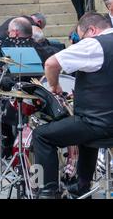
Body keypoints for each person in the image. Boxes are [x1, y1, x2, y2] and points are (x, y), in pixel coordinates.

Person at [34, 12, 113, 199]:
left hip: (100, 123)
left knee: (42, 135)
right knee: (82, 132)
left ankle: (48, 192)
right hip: (105, 122)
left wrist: (54, 85)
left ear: (92, 30)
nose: (81, 41)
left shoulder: (95, 43)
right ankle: (82, 184)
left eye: (81, 36)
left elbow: (51, 63)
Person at [0, 17, 56, 163]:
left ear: (15, 33)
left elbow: (10, 82)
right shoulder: (46, 49)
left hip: (21, 102)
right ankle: (7, 145)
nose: (8, 35)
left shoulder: (14, 51)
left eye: (9, 32)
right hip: (41, 100)